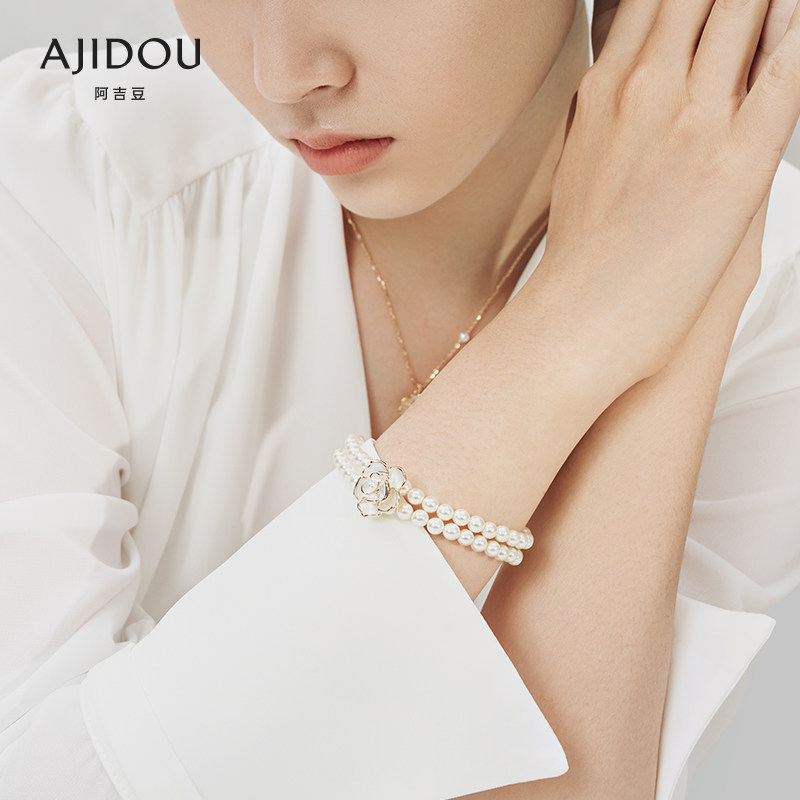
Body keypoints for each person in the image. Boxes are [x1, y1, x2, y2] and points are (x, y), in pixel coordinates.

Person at [0, 0, 798, 797]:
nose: (283, 74)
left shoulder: (771, 289)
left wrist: (699, 253)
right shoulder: (64, 176)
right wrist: (576, 324)